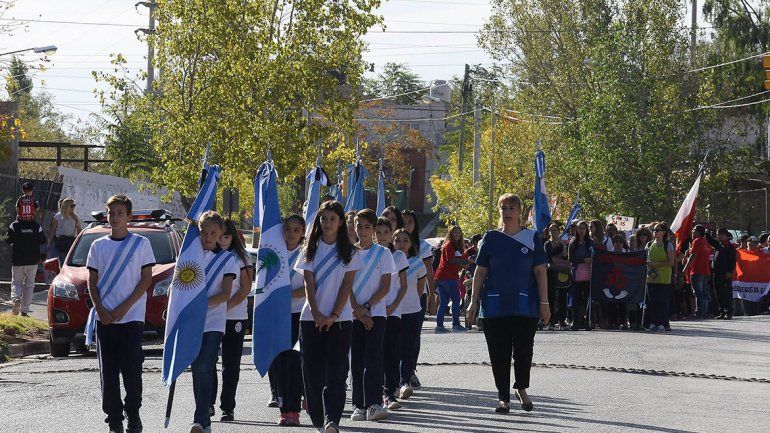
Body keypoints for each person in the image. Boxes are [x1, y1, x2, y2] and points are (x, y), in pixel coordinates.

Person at [466, 193, 550, 414]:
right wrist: (473, 302)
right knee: (498, 353)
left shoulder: (532, 237)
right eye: (504, 208)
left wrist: (544, 302)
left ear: (520, 212)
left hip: (525, 305)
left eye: (512, 208)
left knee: (523, 350)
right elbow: (480, 271)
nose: (507, 212)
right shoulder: (490, 238)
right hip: (494, 305)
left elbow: (540, 272)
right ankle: (503, 397)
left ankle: (521, 388)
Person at [85, 195, 156, 433]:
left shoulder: (141, 244)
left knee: (132, 369)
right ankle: (114, 419)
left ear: (129, 217)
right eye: (111, 213)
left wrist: (125, 307)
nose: (115, 217)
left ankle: (133, 413)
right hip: (105, 319)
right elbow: (92, 281)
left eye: (120, 213)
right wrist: (100, 310)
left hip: (132, 318)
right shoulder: (97, 245)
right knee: (108, 372)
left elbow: (146, 280)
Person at [297, 200, 363, 433]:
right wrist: (316, 313)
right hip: (310, 319)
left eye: (332, 219)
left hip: (340, 320)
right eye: (324, 218)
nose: (327, 223)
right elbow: (309, 283)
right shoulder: (309, 249)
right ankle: (318, 419)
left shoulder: (350, 252)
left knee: (336, 372)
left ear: (341, 222)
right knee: (312, 372)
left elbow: (346, 286)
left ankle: (332, 419)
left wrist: (333, 315)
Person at [188, 211, 239, 433]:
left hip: (214, 322)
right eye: (203, 232)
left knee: (205, 366)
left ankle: (199, 419)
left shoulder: (228, 259)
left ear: (220, 233)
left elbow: (225, 294)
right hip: (191, 322)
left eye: (213, 233)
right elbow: (179, 285)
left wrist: (200, 304)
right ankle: (205, 419)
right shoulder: (189, 256)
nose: (207, 237)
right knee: (196, 368)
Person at [348, 209, 395, 422]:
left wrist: (366, 307)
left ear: (374, 229)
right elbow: (346, 285)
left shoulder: (383, 253)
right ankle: (358, 405)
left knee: (373, 358)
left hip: (376, 314)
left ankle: (374, 403)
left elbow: (385, 286)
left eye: (367, 227)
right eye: (359, 226)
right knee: (356, 360)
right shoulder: (349, 252)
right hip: (353, 315)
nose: (363, 231)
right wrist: (357, 311)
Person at [211, 218, 253, 422]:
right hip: (211, 318)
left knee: (231, 364)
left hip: (234, 316)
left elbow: (245, 289)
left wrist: (224, 307)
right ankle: (207, 403)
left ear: (233, 237)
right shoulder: (208, 254)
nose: (221, 241)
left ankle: (227, 406)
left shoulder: (241, 256)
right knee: (208, 361)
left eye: (226, 236)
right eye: (219, 236)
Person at [270, 215, 306, 426]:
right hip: (277, 315)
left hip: (298, 314)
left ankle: (294, 409)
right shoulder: (274, 253)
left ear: (302, 233)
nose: (291, 233)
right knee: (280, 363)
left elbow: (310, 288)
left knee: (294, 362)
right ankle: (284, 407)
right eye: (288, 229)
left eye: (296, 230)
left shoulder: (306, 254)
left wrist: (287, 295)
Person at [375, 217, 409, 411]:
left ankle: (390, 392)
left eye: (386, 232)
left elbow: (403, 286)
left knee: (391, 352)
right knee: (375, 353)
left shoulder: (398, 256)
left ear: (391, 234)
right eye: (378, 232)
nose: (382, 236)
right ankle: (376, 392)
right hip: (373, 311)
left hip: (392, 311)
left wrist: (394, 306)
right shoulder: (368, 253)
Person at [391, 228, 427, 401]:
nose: (401, 244)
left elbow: (420, 289)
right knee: (393, 348)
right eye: (397, 240)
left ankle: (405, 381)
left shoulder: (417, 262)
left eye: (405, 240)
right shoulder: (388, 259)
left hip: (411, 311)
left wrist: (412, 303)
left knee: (408, 348)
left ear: (411, 243)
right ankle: (392, 384)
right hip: (392, 311)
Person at [400, 209, 434, 390]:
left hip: (417, 296)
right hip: (394, 299)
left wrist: (432, 296)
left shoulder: (423, 246)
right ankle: (395, 374)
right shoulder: (393, 245)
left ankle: (410, 372)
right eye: (403, 221)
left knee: (413, 336)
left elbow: (429, 272)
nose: (407, 225)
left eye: (410, 222)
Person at [5, 210, 47, 316]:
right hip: (32, 260)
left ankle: (16, 299)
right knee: (29, 285)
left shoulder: (14, 225)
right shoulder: (36, 226)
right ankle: (24, 311)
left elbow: (8, 240)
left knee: (16, 282)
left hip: (18, 260)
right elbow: (43, 240)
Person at [434, 225, 472, 332]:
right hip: (447, 277)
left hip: (442, 277)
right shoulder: (449, 244)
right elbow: (451, 260)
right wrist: (466, 261)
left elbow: (457, 261)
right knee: (456, 299)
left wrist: (465, 263)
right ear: (450, 234)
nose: (457, 235)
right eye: (455, 232)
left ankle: (439, 326)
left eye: (459, 233)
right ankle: (456, 325)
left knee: (443, 302)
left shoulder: (453, 245)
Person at [646, 222, 676, 332]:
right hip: (651, 278)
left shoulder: (668, 245)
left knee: (662, 302)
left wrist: (654, 264)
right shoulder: (649, 245)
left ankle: (663, 323)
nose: (655, 232)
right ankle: (652, 322)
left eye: (657, 230)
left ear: (663, 232)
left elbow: (671, 262)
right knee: (652, 302)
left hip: (664, 279)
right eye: (654, 230)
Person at [683, 225, 713, 320]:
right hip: (706, 271)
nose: (692, 231)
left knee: (698, 293)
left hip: (697, 270)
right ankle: (705, 313)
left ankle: (699, 313)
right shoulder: (706, 242)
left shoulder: (697, 241)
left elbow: (693, 255)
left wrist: (685, 268)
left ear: (699, 232)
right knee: (704, 293)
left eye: (694, 230)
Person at [568, 221, 593, 331]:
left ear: (586, 230)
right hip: (577, 274)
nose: (581, 230)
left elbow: (594, 256)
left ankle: (586, 321)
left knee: (586, 298)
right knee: (576, 298)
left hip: (589, 274)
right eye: (579, 228)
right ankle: (575, 321)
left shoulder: (590, 243)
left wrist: (590, 260)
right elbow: (571, 259)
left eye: (583, 228)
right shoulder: (573, 243)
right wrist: (583, 260)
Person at [545, 223, 570, 330]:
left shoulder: (563, 243)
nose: (553, 232)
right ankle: (551, 322)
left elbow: (566, 257)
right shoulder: (547, 244)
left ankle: (562, 321)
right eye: (551, 230)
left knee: (562, 297)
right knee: (551, 297)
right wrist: (555, 259)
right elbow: (548, 258)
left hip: (562, 272)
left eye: (555, 230)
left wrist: (563, 246)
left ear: (559, 232)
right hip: (551, 272)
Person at [711, 228, 737, 320]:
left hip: (725, 273)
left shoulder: (730, 246)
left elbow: (732, 260)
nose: (718, 236)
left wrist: (730, 271)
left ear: (725, 235)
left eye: (720, 234)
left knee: (726, 293)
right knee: (718, 293)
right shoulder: (719, 244)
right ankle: (721, 311)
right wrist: (706, 233)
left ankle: (728, 312)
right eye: (718, 234)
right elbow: (711, 241)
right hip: (716, 272)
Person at [49, 197, 82, 266]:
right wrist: (49, 242)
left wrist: (79, 245)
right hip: (57, 242)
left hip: (68, 243)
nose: (74, 207)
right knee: (52, 263)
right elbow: (53, 231)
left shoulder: (75, 218)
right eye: (72, 205)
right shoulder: (57, 217)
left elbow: (79, 232)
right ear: (67, 206)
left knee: (64, 264)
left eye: (74, 205)